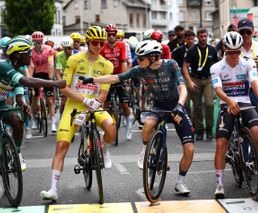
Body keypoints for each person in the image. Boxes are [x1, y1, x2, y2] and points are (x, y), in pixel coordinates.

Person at [80, 39, 195, 195]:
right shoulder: (141, 69)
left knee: (189, 149)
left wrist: (179, 107)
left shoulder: (171, 65)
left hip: (176, 106)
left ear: (153, 57)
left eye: (141, 58)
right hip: (159, 106)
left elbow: (183, 88)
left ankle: (180, 183)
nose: (138, 60)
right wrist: (92, 80)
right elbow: (116, 78)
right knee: (147, 124)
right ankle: (146, 151)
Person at [0, 37, 66, 208]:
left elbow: (19, 92)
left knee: (16, 118)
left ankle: (17, 153)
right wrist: (54, 83)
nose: (30, 55)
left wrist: (23, 104)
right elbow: (27, 81)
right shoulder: (3, 65)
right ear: (17, 54)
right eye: (27, 53)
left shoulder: (19, 67)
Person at [40, 26, 116, 201]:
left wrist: (96, 102)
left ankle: (105, 152)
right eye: (96, 42)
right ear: (88, 42)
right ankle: (53, 189)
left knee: (111, 127)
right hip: (74, 106)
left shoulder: (107, 64)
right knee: (62, 145)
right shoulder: (74, 60)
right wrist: (84, 100)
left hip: (94, 106)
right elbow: (64, 87)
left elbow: (104, 91)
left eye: (102, 43)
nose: (99, 46)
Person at [210, 32, 258, 198]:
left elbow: (255, 83)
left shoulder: (248, 64)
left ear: (241, 50)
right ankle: (219, 184)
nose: (234, 55)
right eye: (230, 52)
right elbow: (218, 89)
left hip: (244, 102)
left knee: (257, 131)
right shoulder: (216, 67)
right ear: (224, 50)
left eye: (237, 52)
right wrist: (229, 101)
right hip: (226, 104)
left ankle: (251, 159)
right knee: (221, 143)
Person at [183, 28, 218, 141]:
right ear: (197, 37)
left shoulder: (212, 50)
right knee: (197, 106)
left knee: (209, 104)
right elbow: (185, 67)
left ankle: (209, 129)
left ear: (207, 37)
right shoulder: (192, 50)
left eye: (205, 36)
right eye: (201, 36)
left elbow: (217, 66)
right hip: (195, 80)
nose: (203, 38)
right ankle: (199, 130)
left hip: (208, 80)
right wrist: (189, 81)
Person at [101, 24, 132, 141]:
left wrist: (123, 77)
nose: (112, 37)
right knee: (106, 103)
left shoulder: (122, 45)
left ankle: (128, 125)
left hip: (119, 76)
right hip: (108, 77)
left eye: (114, 34)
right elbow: (101, 63)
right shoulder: (102, 46)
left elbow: (124, 61)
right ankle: (106, 126)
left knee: (124, 105)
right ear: (106, 35)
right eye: (109, 35)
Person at [28, 31, 57, 133]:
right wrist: (30, 80)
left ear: (42, 41)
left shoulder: (48, 50)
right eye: (35, 42)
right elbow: (31, 66)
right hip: (36, 75)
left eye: (39, 42)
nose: (37, 45)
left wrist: (50, 79)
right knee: (35, 99)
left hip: (46, 74)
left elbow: (50, 64)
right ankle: (33, 120)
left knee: (49, 100)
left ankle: (53, 122)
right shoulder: (30, 51)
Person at [172, 30, 196, 120]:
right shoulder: (178, 51)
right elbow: (175, 65)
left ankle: (195, 122)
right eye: (188, 39)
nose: (190, 40)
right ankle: (187, 118)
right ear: (185, 39)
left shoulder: (197, 49)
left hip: (194, 77)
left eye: (192, 39)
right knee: (186, 101)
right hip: (183, 77)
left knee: (197, 103)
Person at [55, 37, 74, 115]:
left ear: (72, 47)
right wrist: (60, 83)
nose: (67, 51)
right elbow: (58, 72)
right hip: (64, 79)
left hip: (74, 79)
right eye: (65, 49)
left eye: (69, 48)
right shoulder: (59, 56)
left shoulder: (76, 55)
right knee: (63, 101)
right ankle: (62, 117)